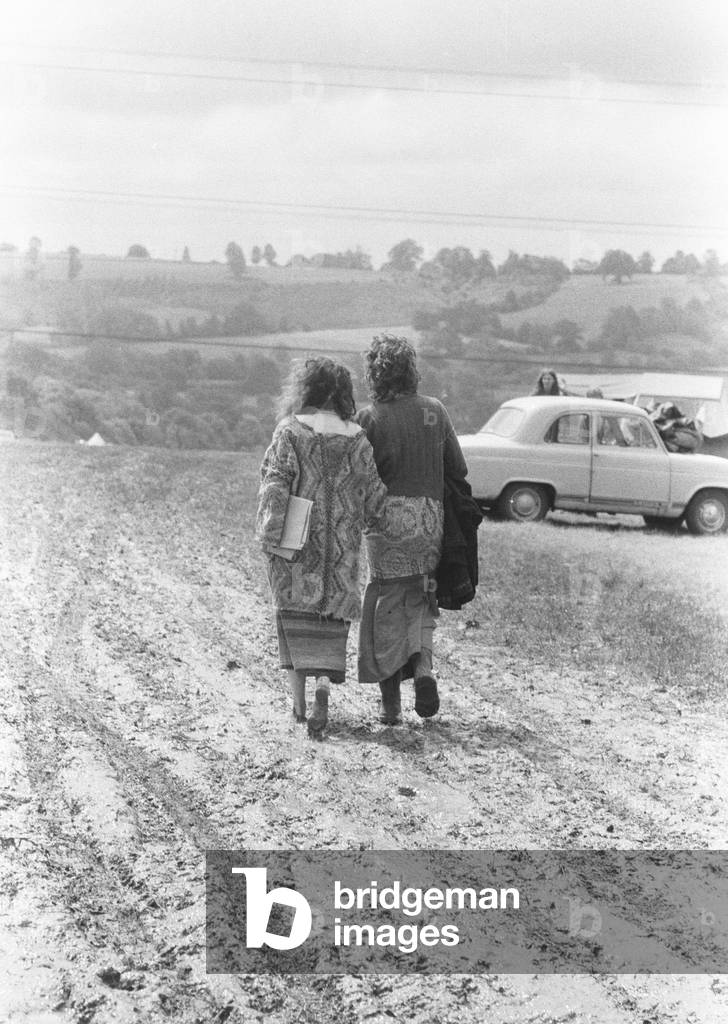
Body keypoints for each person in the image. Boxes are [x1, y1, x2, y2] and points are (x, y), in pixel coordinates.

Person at [256, 358, 387, 739]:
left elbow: (275, 483)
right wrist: (373, 522)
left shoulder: (290, 431)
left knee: (294, 620)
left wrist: (270, 534)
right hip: (342, 547)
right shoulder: (357, 438)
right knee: (331, 622)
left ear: (307, 390)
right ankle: (324, 688)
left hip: (297, 544)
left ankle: (298, 708)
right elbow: (375, 494)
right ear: (343, 395)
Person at [357, 335, 469, 725]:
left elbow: (359, 476)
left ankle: (390, 707)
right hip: (430, 520)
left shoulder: (368, 418)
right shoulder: (436, 411)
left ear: (374, 373)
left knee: (387, 608)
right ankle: (423, 671)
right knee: (422, 601)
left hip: (386, 524)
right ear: (411, 370)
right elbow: (459, 467)